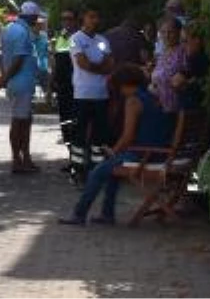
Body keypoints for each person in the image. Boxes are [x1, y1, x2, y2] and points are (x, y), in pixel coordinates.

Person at [59, 64, 171, 225]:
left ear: (124, 85)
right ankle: (107, 213)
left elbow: (127, 136)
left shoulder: (133, 101)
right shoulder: (152, 97)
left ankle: (79, 213)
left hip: (145, 154)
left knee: (97, 172)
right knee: (111, 169)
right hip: (160, 151)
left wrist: (112, 152)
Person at [0, 1, 42, 174]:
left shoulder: (10, 29)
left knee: (24, 121)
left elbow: (1, 56)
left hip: (19, 84)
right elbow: (18, 60)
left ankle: (24, 158)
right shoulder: (22, 32)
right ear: (32, 16)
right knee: (20, 122)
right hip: (21, 84)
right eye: (36, 17)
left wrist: (4, 78)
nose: (37, 20)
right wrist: (3, 79)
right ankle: (18, 160)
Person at [69, 7, 114, 172]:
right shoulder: (75, 39)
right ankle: (78, 170)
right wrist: (101, 68)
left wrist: (98, 67)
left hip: (101, 94)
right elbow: (83, 63)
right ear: (83, 18)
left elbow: (110, 63)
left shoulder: (102, 40)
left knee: (100, 135)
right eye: (91, 16)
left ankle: (97, 169)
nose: (95, 20)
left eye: (97, 17)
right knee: (79, 135)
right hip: (82, 94)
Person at [150, 16, 188, 112]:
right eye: (163, 32)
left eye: (170, 32)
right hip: (160, 106)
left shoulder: (183, 51)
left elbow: (185, 77)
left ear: (178, 33)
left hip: (176, 109)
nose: (166, 36)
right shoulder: (163, 53)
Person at [172, 22, 209, 111]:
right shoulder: (193, 58)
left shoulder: (203, 59)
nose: (182, 45)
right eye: (181, 41)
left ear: (197, 40)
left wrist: (185, 83)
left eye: (185, 41)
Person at [51, 9, 77, 135]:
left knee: (75, 117)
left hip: (75, 85)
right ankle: (68, 144)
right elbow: (55, 61)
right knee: (64, 117)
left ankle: (76, 147)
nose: (66, 22)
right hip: (61, 85)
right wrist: (52, 81)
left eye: (69, 18)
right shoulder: (59, 37)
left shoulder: (78, 38)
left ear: (75, 21)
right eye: (64, 19)